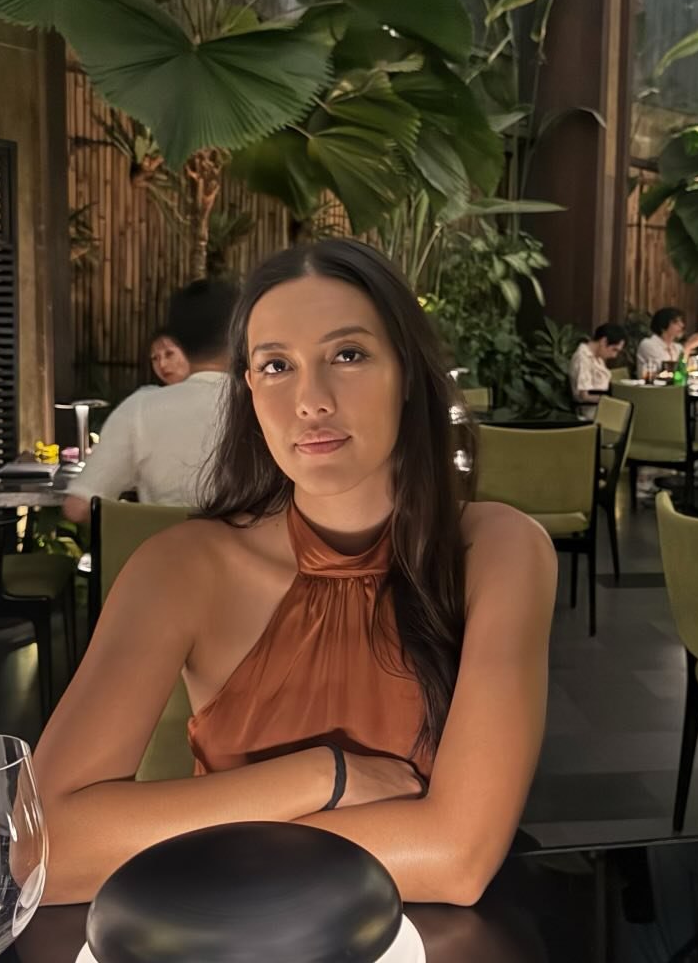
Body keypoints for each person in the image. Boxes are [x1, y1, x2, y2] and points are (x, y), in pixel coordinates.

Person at [34, 239, 556, 906]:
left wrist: (193, 838)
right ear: (249, 390)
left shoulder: (497, 550)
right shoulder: (181, 567)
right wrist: (323, 776)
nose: (311, 401)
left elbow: (457, 859)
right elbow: (43, 851)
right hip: (231, 938)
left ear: (407, 375)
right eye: (277, 365)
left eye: (348, 355)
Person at [62, 279, 239, 523]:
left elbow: (78, 508)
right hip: (250, 548)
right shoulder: (267, 405)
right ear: (241, 334)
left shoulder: (139, 409)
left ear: (179, 341)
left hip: (162, 546)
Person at [635, 308, 698, 378]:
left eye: (681, 321)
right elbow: (670, 373)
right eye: (675, 322)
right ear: (663, 325)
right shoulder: (648, 344)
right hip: (653, 390)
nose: (682, 325)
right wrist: (688, 347)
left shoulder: (677, 347)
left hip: (675, 390)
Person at [569, 323, 625, 420]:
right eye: (614, 349)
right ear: (603, 341)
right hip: (593, 411)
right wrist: (611, 400)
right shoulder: (583, 358)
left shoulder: (597, 357)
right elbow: (585, 395)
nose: (614, 356)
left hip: (603, 405)